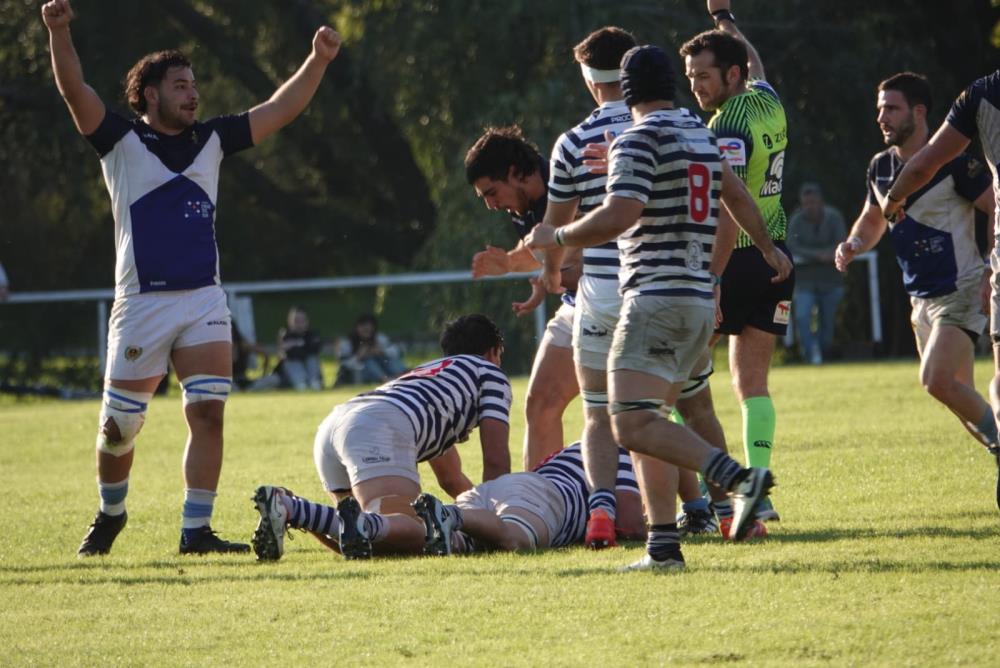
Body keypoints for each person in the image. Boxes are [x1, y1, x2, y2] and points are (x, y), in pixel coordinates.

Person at [43, 0, 342, 556]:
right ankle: (111, 513)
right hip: (142, 303)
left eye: (194, 85)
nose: (193, 94)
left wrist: (318, 60)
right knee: (119, 429)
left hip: (204, 298)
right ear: (149, 94)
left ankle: (195, 531)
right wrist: (58, 31)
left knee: (207, 414)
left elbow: (280, 109)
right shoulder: (120, 141)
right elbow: (73, 90)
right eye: (180, 85)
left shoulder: (213, 138)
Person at [527, 44, 790, 570]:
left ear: (627, 90)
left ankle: (739, 479)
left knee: (627, 423)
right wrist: (767, 248)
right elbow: (737, 197)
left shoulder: (636, 138)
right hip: (697, 299)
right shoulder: (697, 131)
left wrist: (557, 234)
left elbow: (620, 214)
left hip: (654, 299)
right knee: (655, 422)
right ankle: (664, 547)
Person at [845, 72, 998, 499]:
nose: (882, 117)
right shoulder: (880, 166)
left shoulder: (955, 162)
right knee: (960, 400)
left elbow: (994, 206)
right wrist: (854, 243)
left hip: (961, 288)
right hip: (920, 300)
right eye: (879, 109)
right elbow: (873, 219)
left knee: (935, 380)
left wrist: (990, 270)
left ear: (918, 112)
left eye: (891, 109)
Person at [251, 314, 512, 560]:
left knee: (375, 539)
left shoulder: (435, 376)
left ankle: (294, 510)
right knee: (416, 530)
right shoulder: (490, 373)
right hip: (378, 426)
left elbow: (451, 478)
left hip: (338, 422)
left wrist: (474, 520)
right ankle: (290, 507)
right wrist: (497, 527)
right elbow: (496, 461)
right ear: (493, 351)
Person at [679, 0, 794, 522]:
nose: (695, 87)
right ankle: (759, 493)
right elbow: (757, 65)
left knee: (678, 380)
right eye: (690, 77)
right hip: (778, 258)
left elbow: (731, 206)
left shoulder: (726, 126)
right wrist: (724, 17)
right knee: (752, 386)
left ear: (730, 74)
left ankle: (702, 498)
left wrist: (714, 277)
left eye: (703, 76)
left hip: (740, 259)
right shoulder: (767, 101)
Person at [534, 26, 639, 549]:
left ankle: (600, 514)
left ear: (591, 79)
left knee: (597, 411)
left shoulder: (574, 141)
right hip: (660, 286)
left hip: (598, 292)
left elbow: (554, 226)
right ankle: (702, 509)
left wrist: (552, 273)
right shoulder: (668, 124)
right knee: (667, 409)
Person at [464, 126, 582, 469]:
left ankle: (695, 495)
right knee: (540, 403)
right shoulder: (523, 204)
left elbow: (601, 254)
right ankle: (542, 496)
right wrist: (510, 264)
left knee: (627, 413)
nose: (491, 205)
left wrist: (552, 277)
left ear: (515, 173)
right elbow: (539, 249)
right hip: (578, 304)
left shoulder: (568, 178)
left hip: (616, 303)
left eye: (491, 192)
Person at [412, 442, 643, 554]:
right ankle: (451, 514)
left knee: (462, 544)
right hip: (543, 493)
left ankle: (390, 528)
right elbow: (630, 524)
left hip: (498, 489)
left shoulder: (583, 445)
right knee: (517, 539)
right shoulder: (620, 448)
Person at [787, 183, 847, 364]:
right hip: (804, 282)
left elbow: (842, 242)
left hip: (831, 281)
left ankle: (824, 354)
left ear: (821, 202)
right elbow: (791, 246)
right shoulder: (796, 220)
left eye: (813, 202)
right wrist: (817, 255)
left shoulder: (834, 217)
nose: (810, 207)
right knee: (802, 317)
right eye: (806, 203)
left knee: (827, 323)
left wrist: (829, 254)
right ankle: (808, 356)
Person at [335, 313, 407, 385]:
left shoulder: (379, 338)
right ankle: (385, 379)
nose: (367, 331)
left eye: (369, 329)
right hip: (357, 373)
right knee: (368, 362)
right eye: (364, 328)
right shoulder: (347, 342)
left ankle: (403, 375)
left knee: (389, 359)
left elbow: (398, 351)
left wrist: (381, 351)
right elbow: (343, 364)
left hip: (382, 368)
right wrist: (359, 356)